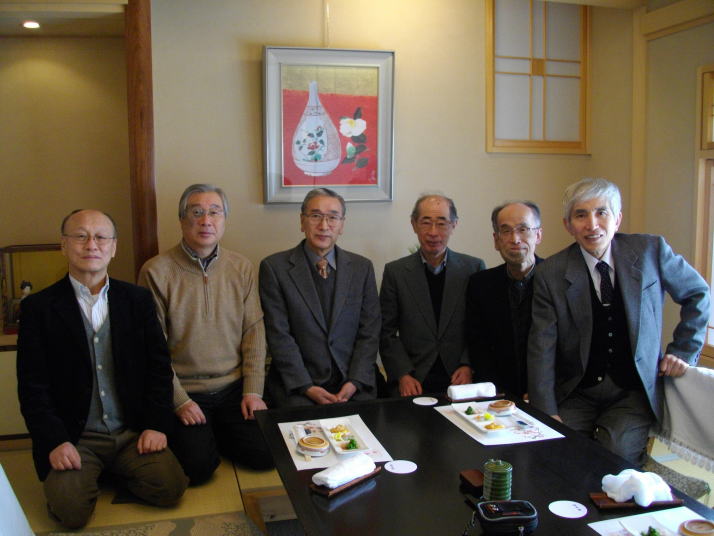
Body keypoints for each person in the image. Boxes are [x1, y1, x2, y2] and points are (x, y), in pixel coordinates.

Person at [17, 209, 187, 529]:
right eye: (80, 236)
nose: (91, 244)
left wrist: (155, 425)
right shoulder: (39, 308)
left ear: (114, 247)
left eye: (100, 237)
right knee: (71, 512)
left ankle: (107, 472)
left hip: (130, 432)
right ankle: (91, 474)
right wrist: (55, 441)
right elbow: (32, 387)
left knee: (171, 487)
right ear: (63, 245)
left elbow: (159, 370)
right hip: (75, 437)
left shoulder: (137, 300)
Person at [528, 178, 710, 466]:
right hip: (577, 391)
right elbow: (541, 346)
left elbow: (698, 294)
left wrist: (683, 351)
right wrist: (546, 411)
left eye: (601, 212)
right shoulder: (550, 273)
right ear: (568, 225)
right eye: (581, 215)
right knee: (555, 451)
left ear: (617, 219)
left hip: (632, 392)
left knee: (616, 455)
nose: (592, 224)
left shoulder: (650, 251)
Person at [138, 184, 272, 485]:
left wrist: (253, 391)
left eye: (215, 212)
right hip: (187, 390)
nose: (206, 220)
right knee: (197, 469)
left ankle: (217, 431)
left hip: (233, 388)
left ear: (224, 220)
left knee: (266, 455)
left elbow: (254, 331)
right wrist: (179, 401)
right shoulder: (155, 271)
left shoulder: (241, 267)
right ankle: (207, 435)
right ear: (181, 220)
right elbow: (152, 348)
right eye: (196, 212)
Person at [259, 188, 380, 406]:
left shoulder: (362, 268)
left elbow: (369, 332)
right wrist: (306, 386)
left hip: (353, 384)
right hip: (298, 387)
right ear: (302, 221)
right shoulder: (274, 268)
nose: (324, 226)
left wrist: (355, 381)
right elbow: (278, 335)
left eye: (333, 217)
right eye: (315, 216)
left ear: (342, 225)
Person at [380, 193, 485, 397]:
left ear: (454, 225)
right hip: (414, 378)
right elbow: (386, 332)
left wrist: (468, 365)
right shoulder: (396, 272)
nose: (433, 232)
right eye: (426, 223)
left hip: (460, 377)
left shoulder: (473, 268)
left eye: (442, 223)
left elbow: (481, 327)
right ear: (414, 224)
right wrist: (403, 374)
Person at [465, 201, 543, 398]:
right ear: (496, 240)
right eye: (506, 231)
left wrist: (541, 392)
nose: (515, 239)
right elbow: (478, 345)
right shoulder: (480, 284)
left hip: (547, 394)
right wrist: (495, 392)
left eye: (523, 229)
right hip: (497, 395)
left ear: (538, 235)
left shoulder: (557, 279)